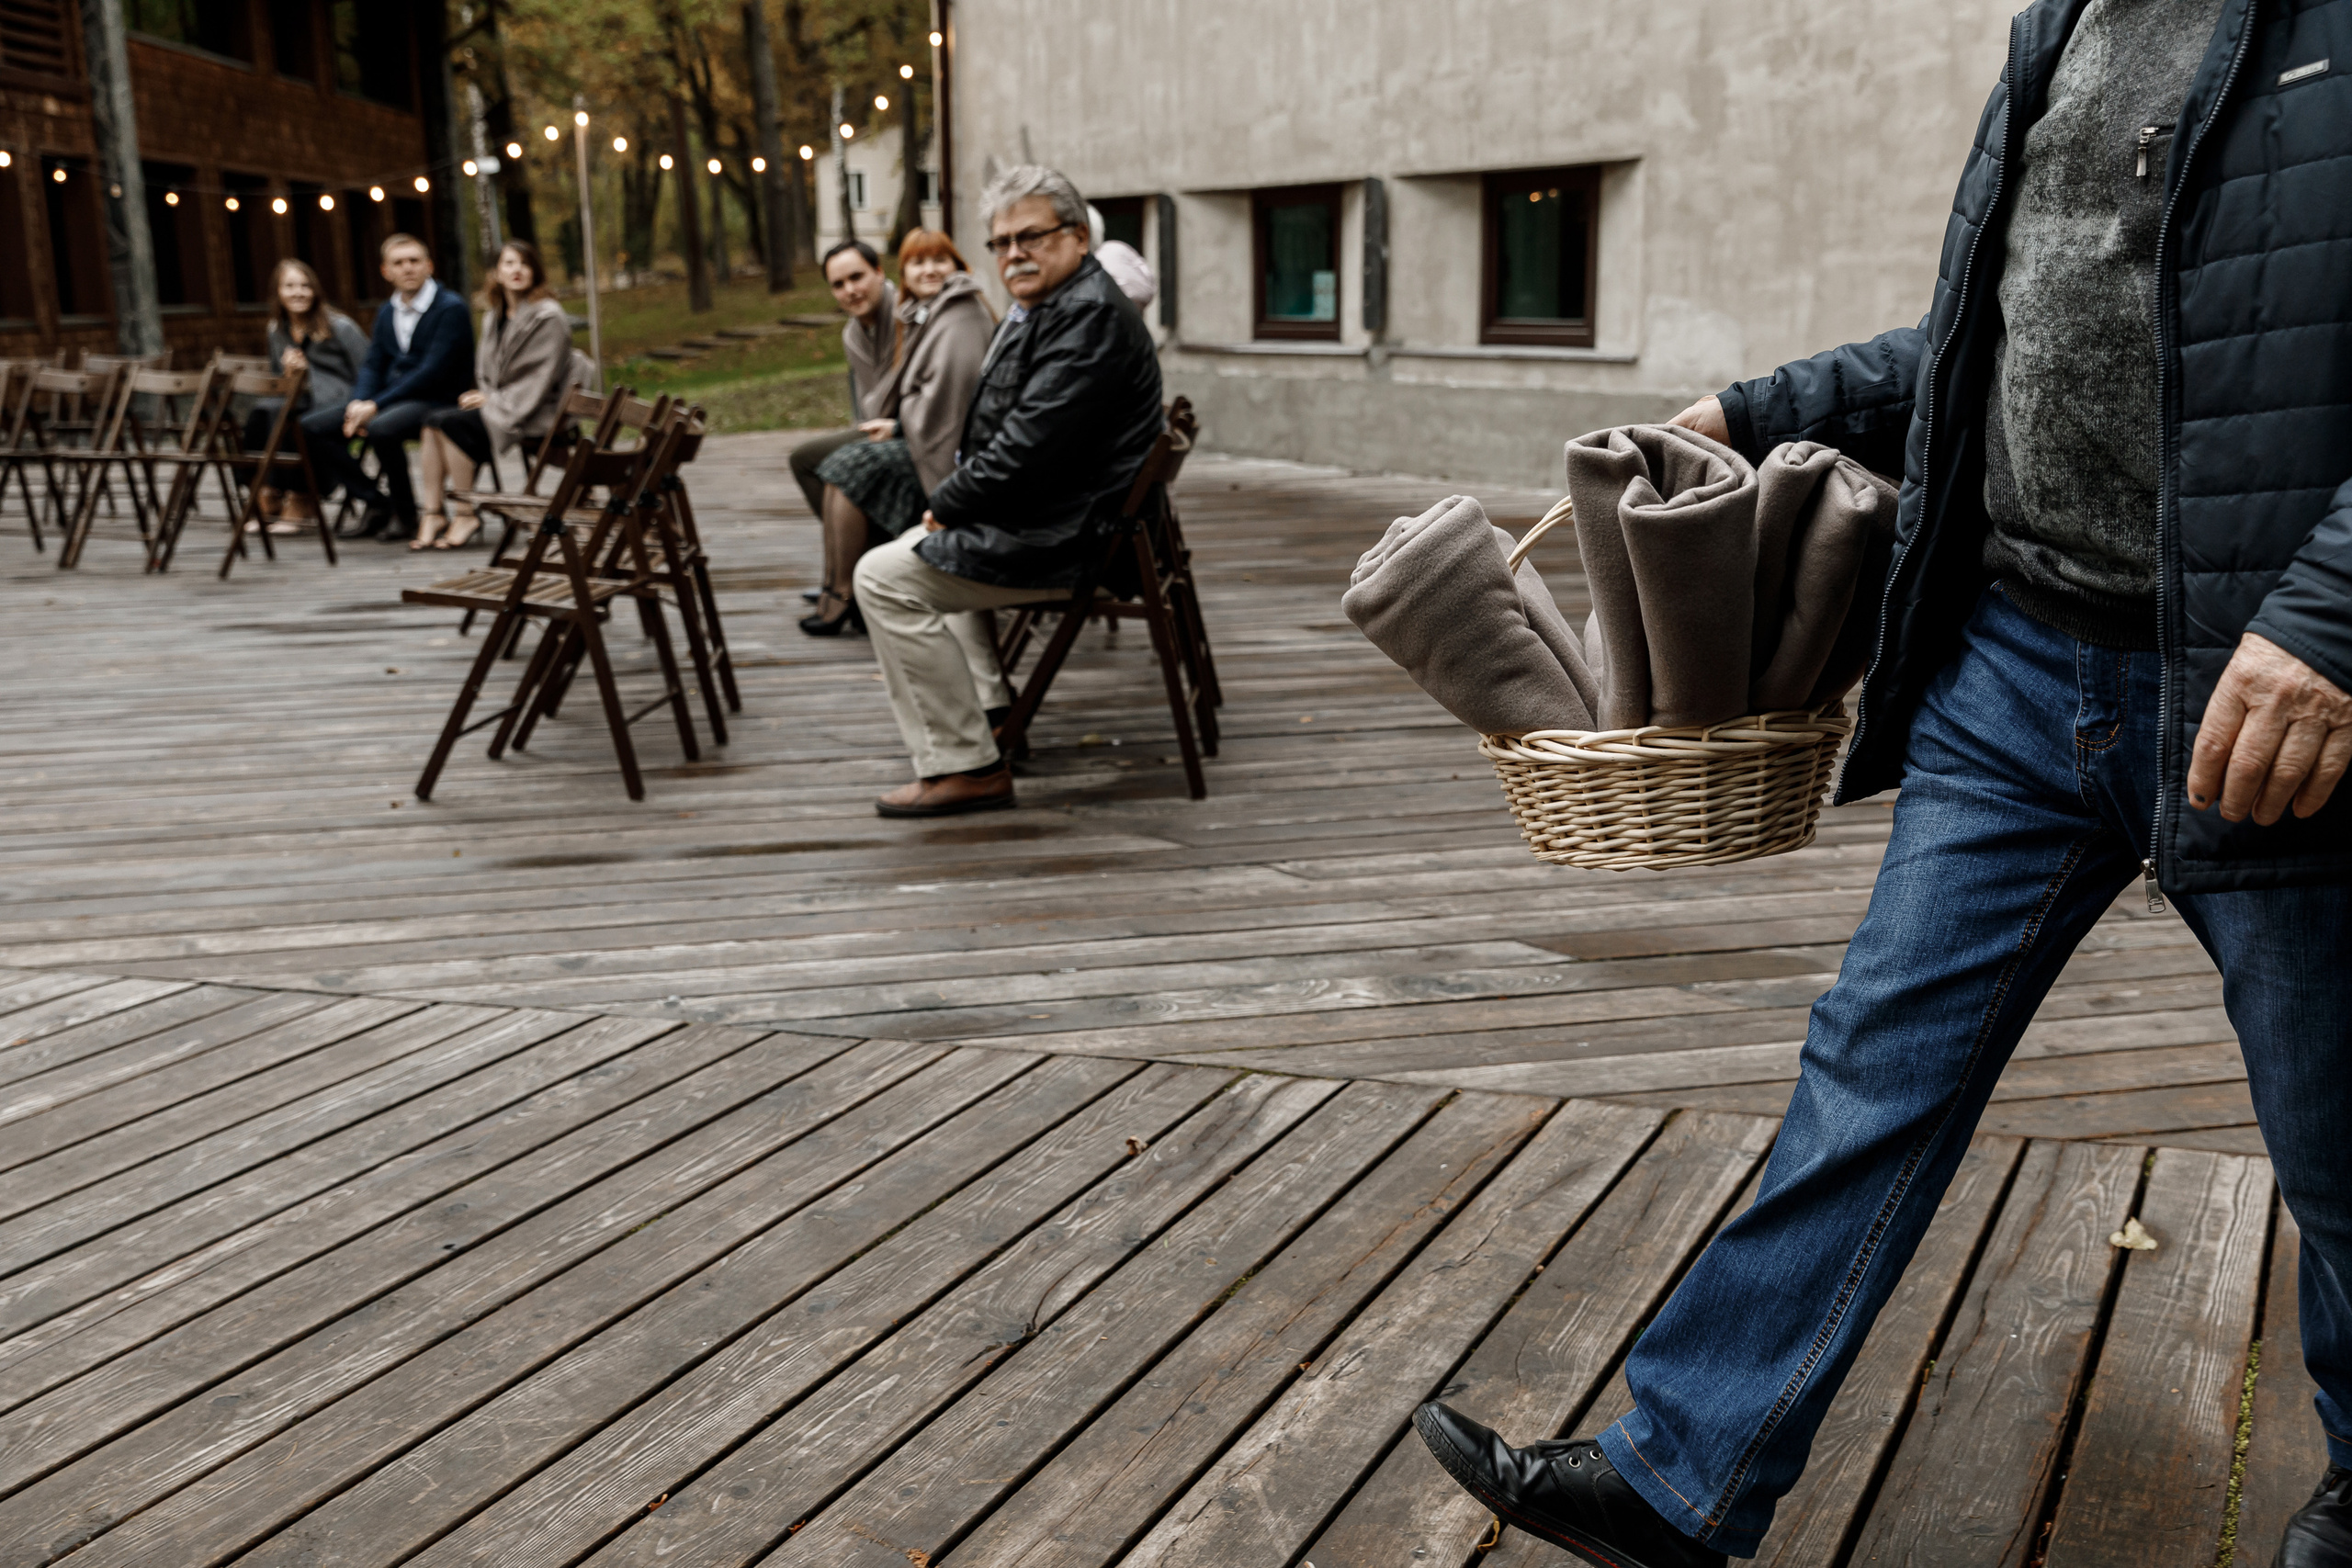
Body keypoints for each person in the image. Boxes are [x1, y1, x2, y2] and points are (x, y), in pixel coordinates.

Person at [1408, 1, 2352, 1565]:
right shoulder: (2072, 20)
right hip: (2019, 664)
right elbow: (2010, 326)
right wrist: (1760, 410)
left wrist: (2331, 622)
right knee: (1874, 1062)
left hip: (2264, 691)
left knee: (2339, 1139)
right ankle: (1682, 1475)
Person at [850, 164, 1164, 818]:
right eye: (1001, 242)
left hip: (1070, 539)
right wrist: (957, 506)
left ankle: (967, 763)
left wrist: (950, 503)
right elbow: (1020, 444)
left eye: (1032, 237)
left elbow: (1025, 452)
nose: (1014, 254)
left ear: (1078, 237)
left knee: (881, 576)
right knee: (913, 547)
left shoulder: (1087, 320)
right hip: (1060, 519)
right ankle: (992, 711)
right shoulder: (1058, 304)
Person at [801, 228, 995, 636]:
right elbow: (895, 390)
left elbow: (949, 397)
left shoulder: (939, 313)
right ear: (905, 271)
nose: (850, 290)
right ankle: (844, 574)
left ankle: (846, 585)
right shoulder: (915, 313)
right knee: (817, 461)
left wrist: (900, 422)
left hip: (940, 442)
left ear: (879, 273)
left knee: (845, 468)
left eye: (938, 260)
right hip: (904, 426)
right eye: (918, 262)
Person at [304, 232, 472, 542]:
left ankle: (406, 515)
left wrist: (376, 405)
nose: (407, 268)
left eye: (414, 261)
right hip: (392, 399)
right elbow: (373, 364)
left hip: (438, 400)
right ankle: (376, 502)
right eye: (399, 263)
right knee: (313, 427)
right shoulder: (387, 311)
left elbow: (431, 372)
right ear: (386, 271)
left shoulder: (450, 308)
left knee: (382, 427)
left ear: (429, 266)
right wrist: (358, 401)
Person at [411, 240, 574, 550]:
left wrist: (492, 401)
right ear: (496, 273)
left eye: (524, 264)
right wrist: (484, 394)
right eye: (509, 264)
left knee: (450, 424)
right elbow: (485, 370)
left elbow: (539, 379)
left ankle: (465, 512)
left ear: (535, 272)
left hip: (535, 410)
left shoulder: (548, 316)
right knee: (431, 420)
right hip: (500, 402)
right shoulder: (494, 316)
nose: (517, 271)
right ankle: (433, 512)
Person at [786, 241, 896, 537]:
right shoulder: (852, 335)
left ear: (879, 272)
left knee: (807, 460)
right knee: (810, 459)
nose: (849, 290)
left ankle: (860, 551)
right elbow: (864, 402)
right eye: (838, 284)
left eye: (857, 277)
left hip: (906, 425)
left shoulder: (904, 316)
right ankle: (855, 550)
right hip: (874, 425)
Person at [249, 258, 368, 532]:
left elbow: (367, 368)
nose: (298, 292)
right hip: (302, 397)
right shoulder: (276, 329)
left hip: (340, 399)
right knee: (262, 411)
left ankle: (302, 498)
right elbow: (283, 381)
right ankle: (268, 489)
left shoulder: (340, 326)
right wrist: (292, 374)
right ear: (278, 292)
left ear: (315, 291)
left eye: (305, 286)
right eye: (289, 286)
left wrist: (310, 370)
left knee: (290, 416)